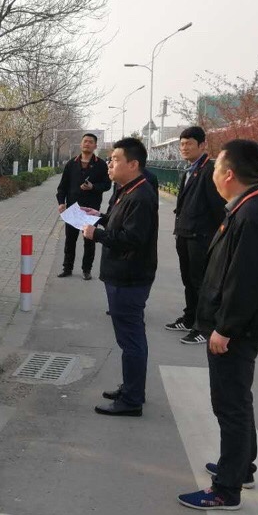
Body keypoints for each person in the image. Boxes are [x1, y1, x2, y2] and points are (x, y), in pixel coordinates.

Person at [178, 139, 258, 511]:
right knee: (238, 399)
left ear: (228, 174)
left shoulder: (251, 215)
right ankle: (241, 467)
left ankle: (226, 488)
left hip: (237, 330)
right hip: (241, 326)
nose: (211, 174)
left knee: (231, 405)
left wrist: (224, 328)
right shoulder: (247, 208)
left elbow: (245, 281)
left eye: (215, 168)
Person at [83, 137, 158, 417]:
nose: (110, 164)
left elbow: (131, 239)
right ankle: (132, 388)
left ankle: (132, 399)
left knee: (131, 339)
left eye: (115, 159)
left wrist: (97, 234)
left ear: (133, 164)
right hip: (122, 274)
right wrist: (100, 217)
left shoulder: (141, 195)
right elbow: (121, 223)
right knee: (130, 337)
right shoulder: (128, 190)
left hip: (129, 276)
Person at [165, 126, 226, 346]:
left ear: (202, 145)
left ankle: (204, 327)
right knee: (188, 280)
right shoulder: (189, 170)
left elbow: (218, 208)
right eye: (182, 144)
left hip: (201, 237)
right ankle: (190, 318)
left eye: (189, 144)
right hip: (185, 234)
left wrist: (214, 237)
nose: (184, 148)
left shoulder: (209, 171)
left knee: (201, 283)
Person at [56, 133, 112, 280]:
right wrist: (61, 202)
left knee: (89, 241)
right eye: (85, 141)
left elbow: (107, 185)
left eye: (90, 142)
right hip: (73, 209)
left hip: (90, 210)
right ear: (81, 144)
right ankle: (67, 268)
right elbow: (62, 187)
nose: (87, 144)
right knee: (70, 240)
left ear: (95, 146)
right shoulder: (71, 164)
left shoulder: (101, 165)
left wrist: (93, 187)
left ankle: (87, 270)